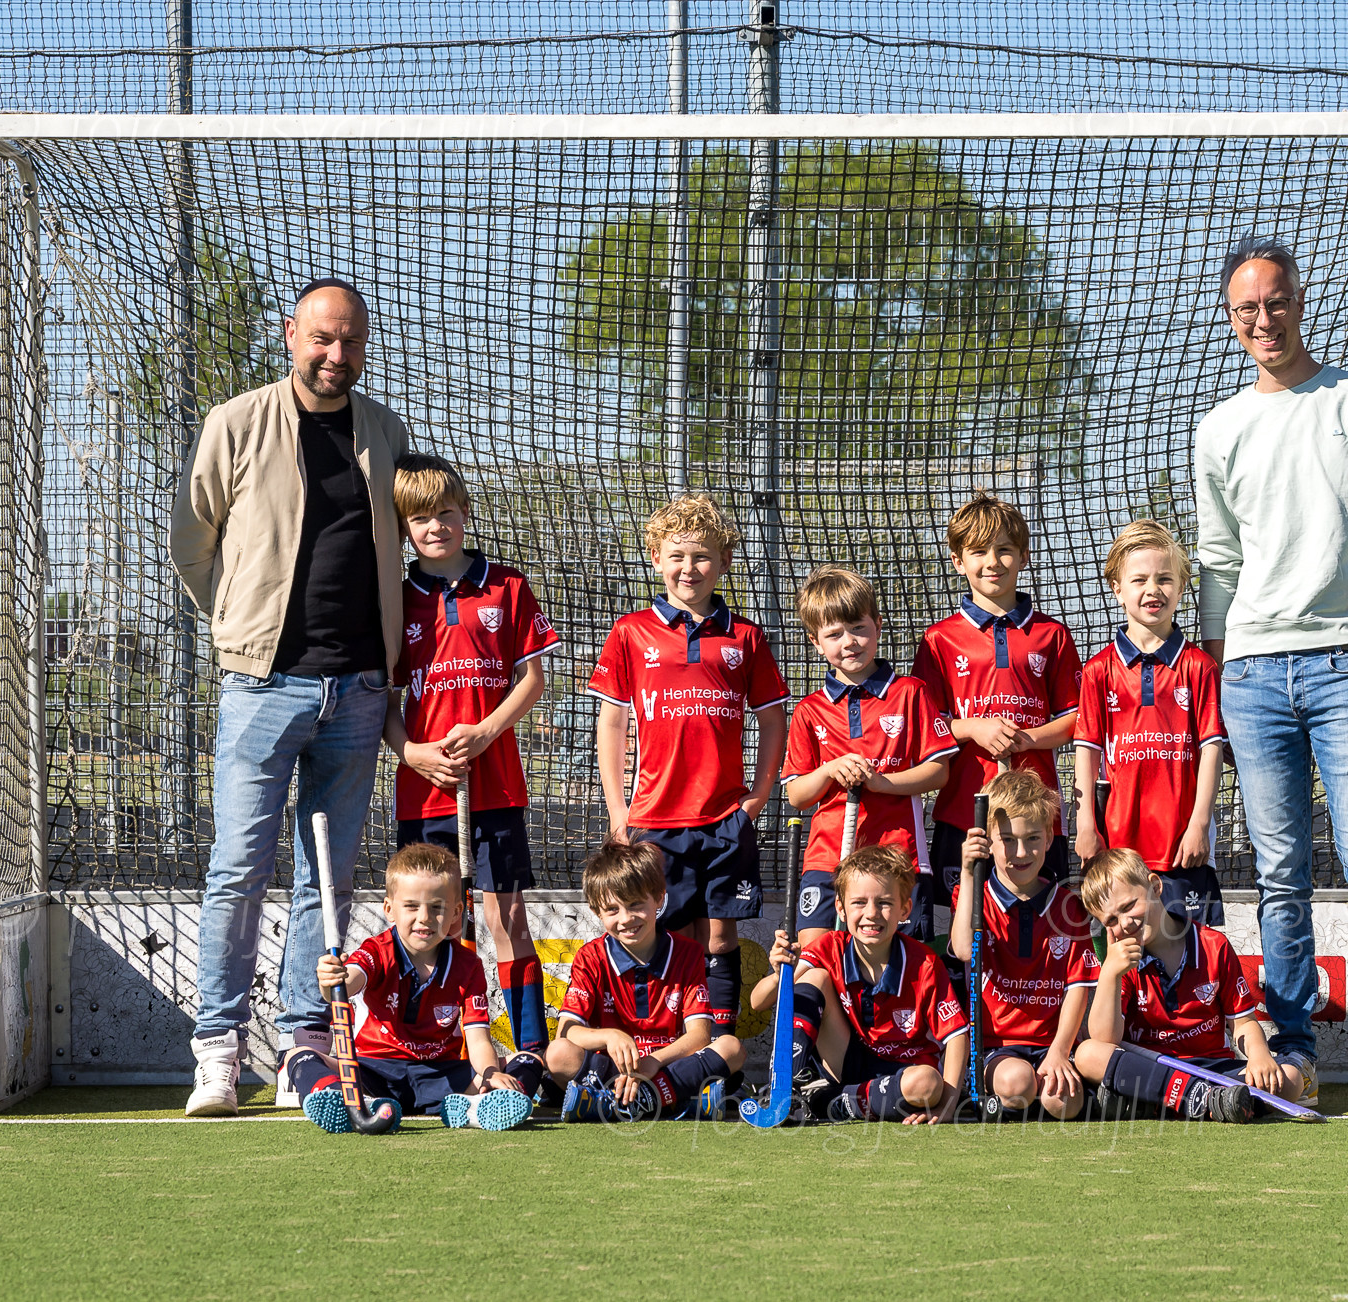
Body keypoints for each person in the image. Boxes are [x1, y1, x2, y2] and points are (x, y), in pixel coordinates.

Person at [1193, 236, 1348, 1116]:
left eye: (1276, 301)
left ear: (1300, 302)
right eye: (1246, 309)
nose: (1263, 319)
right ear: (1232, 320)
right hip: (1252, 677)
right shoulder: (1219, 428)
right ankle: (1294, 1054)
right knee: (1280, 879)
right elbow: (1218, 564)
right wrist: (1217, 681)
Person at [170, 279, 410, 1117]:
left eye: (351, 341)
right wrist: (240, 626)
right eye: (322, 338)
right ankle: (218, 1052)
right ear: (290, 336)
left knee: (328, 881)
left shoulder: (386, 432)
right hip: (262, 686)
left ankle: (303, 1047)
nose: (336, 355)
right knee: (238, 869)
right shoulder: (235, 423)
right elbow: (193, 542)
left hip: (360, 690)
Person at [386, 453, 560, 1084]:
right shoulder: (393, 598)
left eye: (446, 513)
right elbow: (383, 701)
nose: (435, 527)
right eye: (420, 518)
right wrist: (413, 753)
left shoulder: (506, 587)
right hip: (425, 791)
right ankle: (443, 1046)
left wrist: (485, 732)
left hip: (495, 785)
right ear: (404, 527)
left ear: (465, 513)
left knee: (504, 917)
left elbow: (532, 680)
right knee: (431, 922)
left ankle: (532, 1052)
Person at [588, 495, 789, 1038]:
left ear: (724, 561)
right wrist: (618, 810)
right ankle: (670, 1048)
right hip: (654, 819)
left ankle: (718, 1054)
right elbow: (612, 724)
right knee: (669, 938)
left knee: (720, 938)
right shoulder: (631, 632)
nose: (689, 568)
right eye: (677, 555)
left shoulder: (745, 636)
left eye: (702, 556)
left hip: (724, 819)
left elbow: (773, 720)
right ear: (656, 557)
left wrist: (757, 797)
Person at [912, 492, 1083, 945]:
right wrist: (973, 728)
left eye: (1005, 549)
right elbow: (925, 726)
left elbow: (1076, 720)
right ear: (958, 561)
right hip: (964, 810)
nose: (993, 562)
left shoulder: (1052, 634)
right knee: (962, 932)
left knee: (1040, 931)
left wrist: (1028, 739)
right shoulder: (939, 639)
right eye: (978, 551)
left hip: (1036, 814)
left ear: (1024, 556)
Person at [289, 843, 532, 1132]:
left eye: (437, 907)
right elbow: (347, 984)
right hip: (373, 1072)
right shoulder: (377, 950)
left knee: (527, 1061)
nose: (424, 917)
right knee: (299, 1055)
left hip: (440, 1075)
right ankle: (345, 1099)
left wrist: (490, 1073)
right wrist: (332, 979)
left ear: (457, 911)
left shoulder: (468, 965)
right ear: (389, 909)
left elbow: (478, 1039)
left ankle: (471, 1109)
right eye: (412, 906)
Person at [779, 566, 957, 945]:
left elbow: (938, 771)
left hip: (899, 857)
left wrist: (880, 782)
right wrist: (830, 769)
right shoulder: (810, 710)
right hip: (828, 859)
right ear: (815, 642)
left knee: (900, 964)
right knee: (817, 959)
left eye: (859, 628)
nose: (849, 642)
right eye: (834, 634)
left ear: (878, 624)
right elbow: (797, 795)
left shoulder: (910, 692)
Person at [1070, 520, 1229, 925]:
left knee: (1189, 952)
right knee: (1123, 951)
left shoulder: (1200, 667)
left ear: (1181, 586)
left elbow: (1211, 750)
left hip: (1182, 847)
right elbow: (1086, 752)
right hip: (1118, 849)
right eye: (1139, 579)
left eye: (1165, 579)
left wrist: (1200, 823)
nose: (1152, 589)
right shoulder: (1098, 669)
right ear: (1117, 588)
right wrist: (1085, 824)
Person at [1071, 849, 1294, 1123]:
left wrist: (1259, 1054)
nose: (1126, 923)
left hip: (1211, 1069)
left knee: (1290, 1081)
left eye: (1129, 906)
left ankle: (1160, 1104)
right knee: (1087, 1054)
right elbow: (1104, 1039)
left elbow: (1243, 1023)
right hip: (1150, 1068)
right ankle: (1202, 1100)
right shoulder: (1119, 961)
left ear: (1155, 886)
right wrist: (1110, 974)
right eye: (1111, 921)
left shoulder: (1214, 946)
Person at [753, 847, 969, 1124]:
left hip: (904, 1073)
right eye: (859, 902)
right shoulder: (829, 947)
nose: (871, 913)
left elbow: (956, 1036)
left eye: (884, 903)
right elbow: (758, 1003)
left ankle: (828, 1102)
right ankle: (784, 1090)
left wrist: (948, 1106)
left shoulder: (924, 963)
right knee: (814, 977)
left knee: (927, 1083)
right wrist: (779, 974)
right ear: (840, 908)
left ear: (905, 909)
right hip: (845, 1060)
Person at [547, 838, 743, 1123]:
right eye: (612, 909)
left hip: (666, 1065)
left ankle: (615, 1103)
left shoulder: (687, 952)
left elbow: (699, 1035)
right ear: (596, 911)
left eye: (636, 904)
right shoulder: (590, 957)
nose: (626, 918)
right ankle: (670, 1101)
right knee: (557, 1055)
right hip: (613, 1068)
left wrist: (653, 1062)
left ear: (659, 899)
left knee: (731, 1048)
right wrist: (609, 1036)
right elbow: (567, 1032)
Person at [946, 770, 1096, 1120]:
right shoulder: (972, 896)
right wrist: (968, 872)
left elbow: (1078, 987)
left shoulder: (1068, 906)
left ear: (1049, 838)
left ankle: (1026, 1105)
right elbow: (965, 950)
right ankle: (1003, 1098)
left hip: (1053, 1044)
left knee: (1063, 1103)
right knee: (1017, 1083)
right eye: (1008, 840)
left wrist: (1059, 1051)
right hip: (996, 1047)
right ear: (988, 842)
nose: (1022, 852)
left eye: (1032, 838)